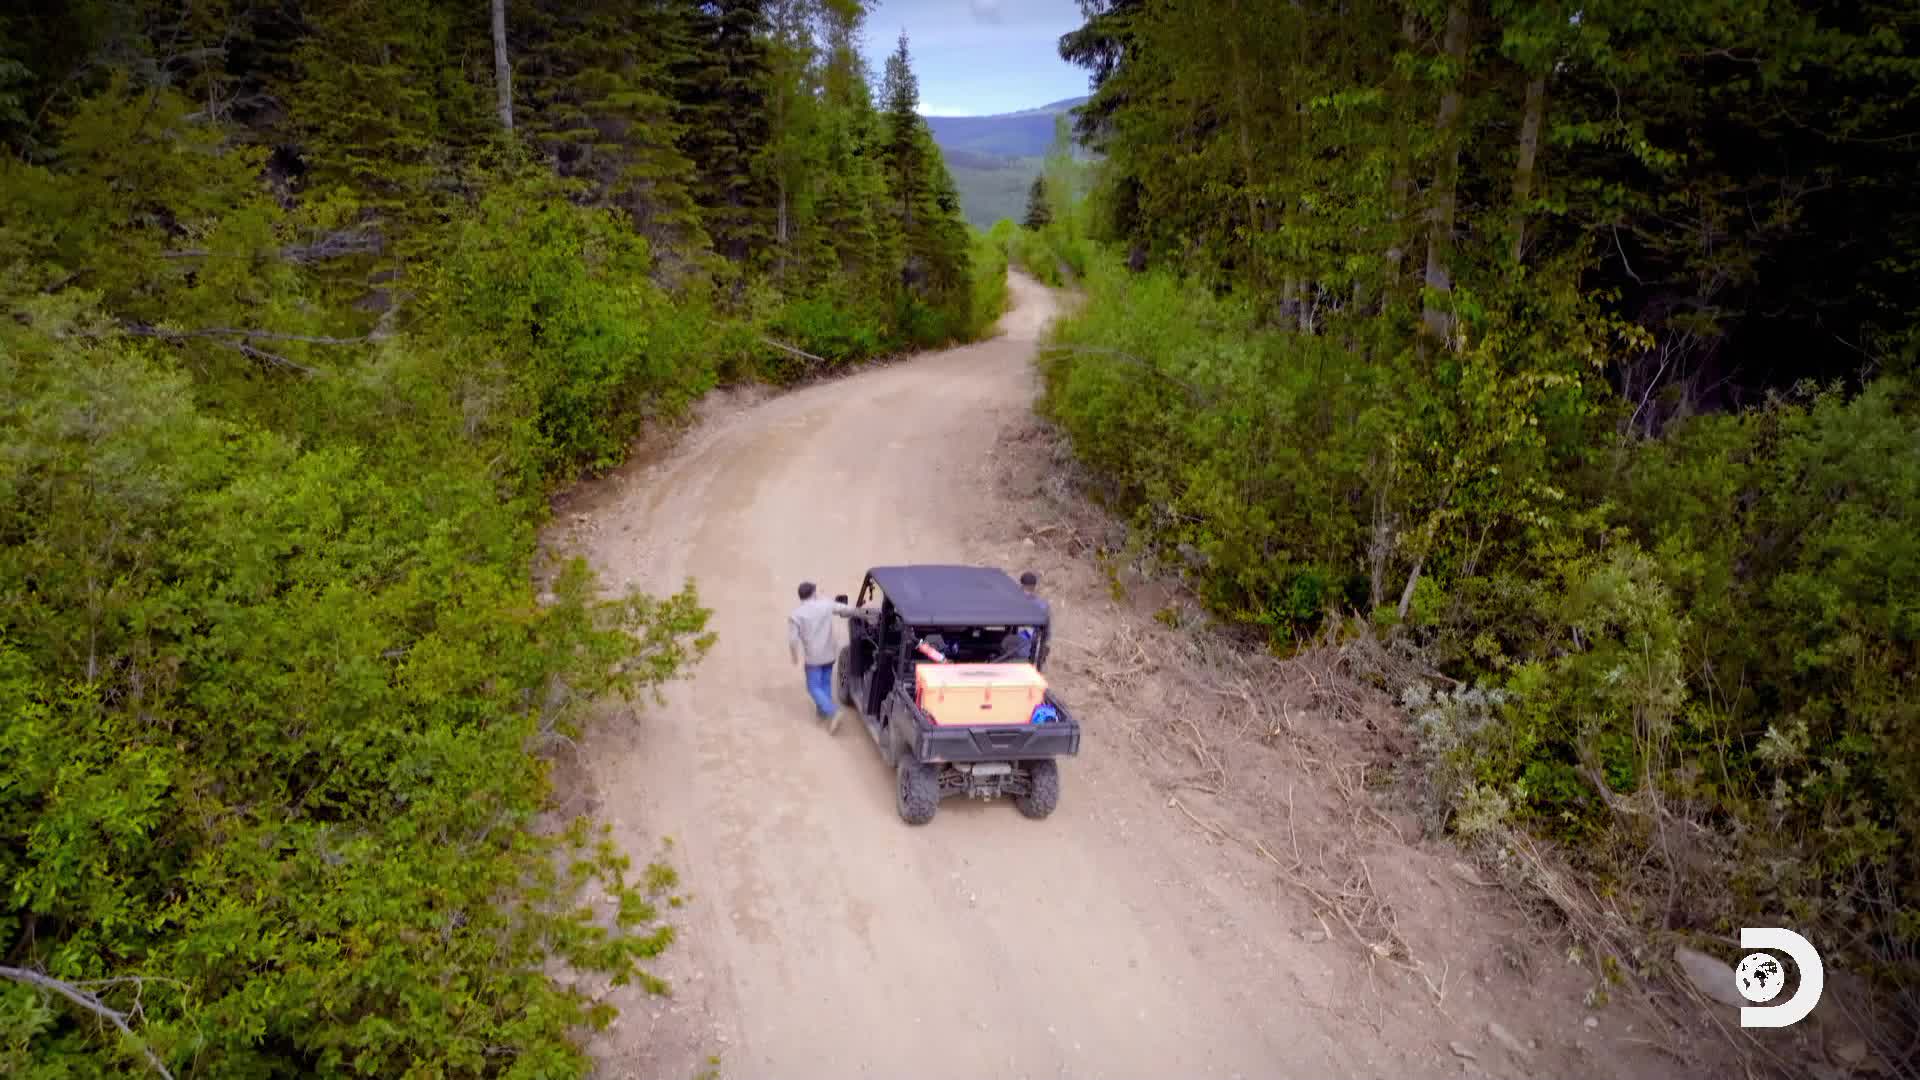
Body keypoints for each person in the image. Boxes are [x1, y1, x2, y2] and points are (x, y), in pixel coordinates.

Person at [788, 581, 856, 733]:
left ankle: (833, 711)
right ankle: (823, 711)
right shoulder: (825, 604)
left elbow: (793, 640)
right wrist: (863, 612)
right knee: (825, 682)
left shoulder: (796, 615)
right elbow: (846, 609)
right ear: (813, 593)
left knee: (813, 687)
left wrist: (794, 656)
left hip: (813, 658)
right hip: (830, 654)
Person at [1012, 570, 1049, 662]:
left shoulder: (1015, 603)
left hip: (1023, 648)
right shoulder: (1042, 605)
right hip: (1028, 646)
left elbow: (1046, 631)